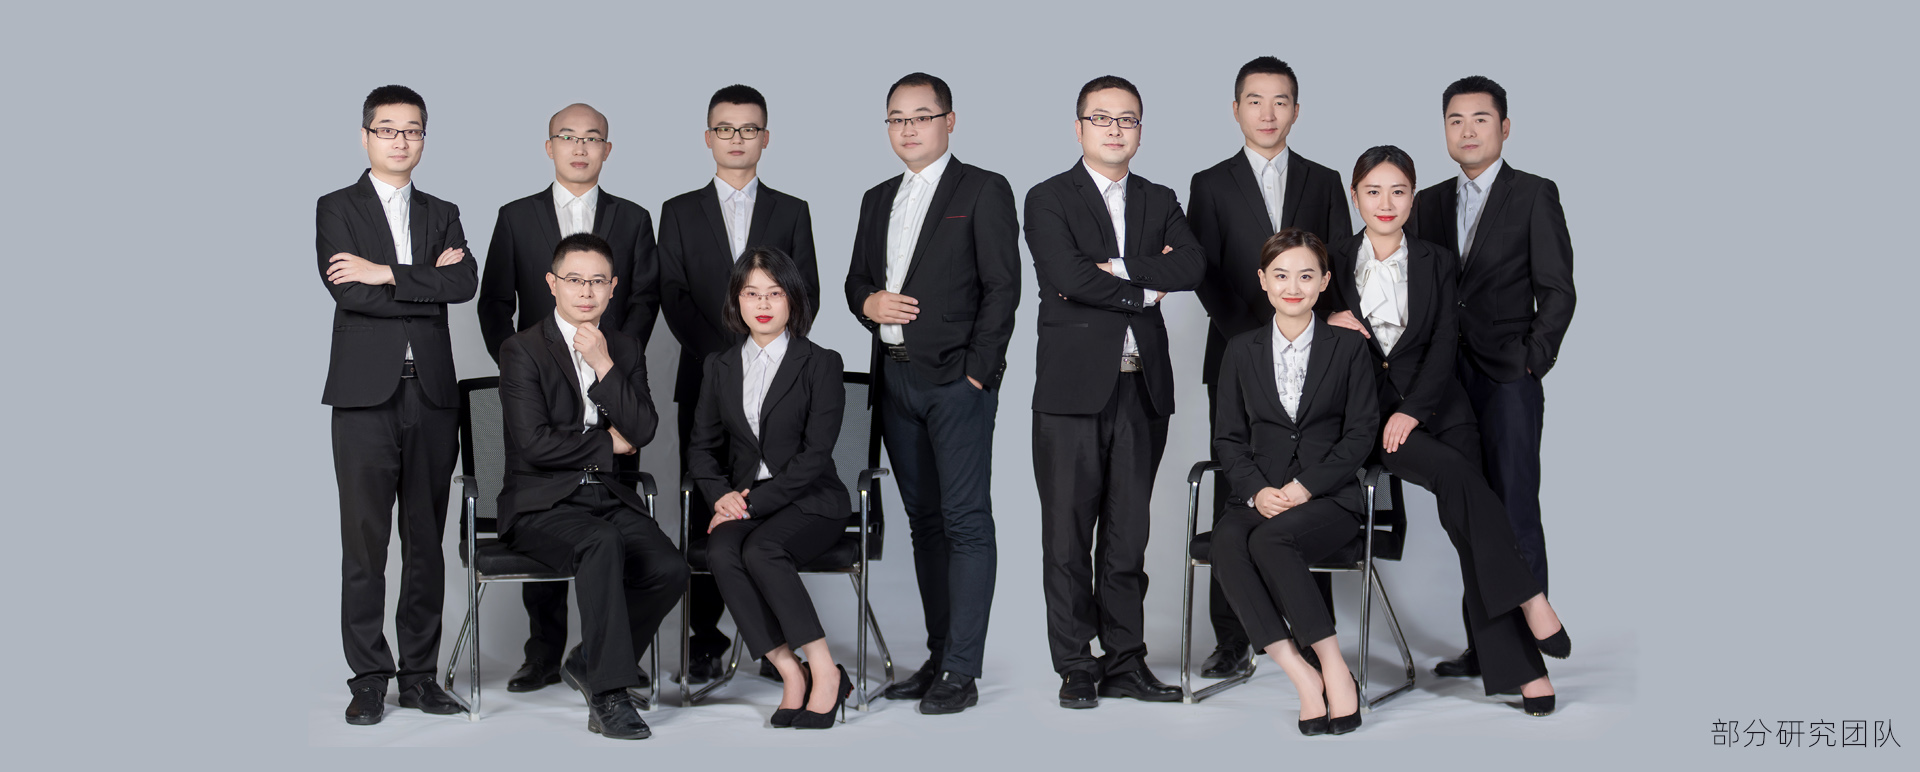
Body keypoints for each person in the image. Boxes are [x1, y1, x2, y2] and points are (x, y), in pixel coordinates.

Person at [1321, 146, 1570, 715]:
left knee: (1468, 518)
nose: (1386, 203)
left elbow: (1441, 344)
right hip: (1372, 418)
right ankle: (1531, 608)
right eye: (1373, 192)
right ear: (1355, 197)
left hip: (1439, 406)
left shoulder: (1437, 259)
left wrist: (1415, 409)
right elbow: (1294, 317)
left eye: (1398, 191)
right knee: (1463, 480)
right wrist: (1324, 320)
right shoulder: (1331, 260)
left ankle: (1516, 664)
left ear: (1413, 197)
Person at [1024, 75, 1204, 709]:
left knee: (1128, 538)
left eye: (1127, 119)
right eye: (1101, 118)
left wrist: (1119, 269)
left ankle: (1126, 661)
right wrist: (1145, 290)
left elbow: (1192, 265)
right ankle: (1076, 664)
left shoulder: (1160, 197)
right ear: (1079, 128)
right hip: (1071, 392)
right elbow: (1066, 275)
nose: (1114, 129)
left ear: (1140, 131)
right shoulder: (1047, 197)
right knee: (1067, 538)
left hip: (1142, 388)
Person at [845, 72, 1021, 714]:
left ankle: (962, 671)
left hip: (956, 383)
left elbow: (1003, 287)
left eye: (921, 116)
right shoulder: (876, 198)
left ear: (949, 120)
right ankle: (938, 654)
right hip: (894, 379)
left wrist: (979, 373)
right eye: (897, 118)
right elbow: (856, 281)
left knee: (966, 520)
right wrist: (869, 303)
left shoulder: (983, 189)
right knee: (924, 524)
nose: (908, 128)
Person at [475, 101, 663, 694]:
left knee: (620, 539)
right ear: (549, 146)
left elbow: (646, 298)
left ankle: (602, 654)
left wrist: (614, 361)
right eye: (567, 136)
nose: (579, 147)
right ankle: (545, 653)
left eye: (591, 138)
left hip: (608, 376)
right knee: (565, 521)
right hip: (540, 384)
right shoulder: (516, 216)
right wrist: (525, 370)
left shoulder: (633, 218)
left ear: (607, 148)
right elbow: (493, 301)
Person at [1399, 76, 1576, 680]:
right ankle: (1488, 648)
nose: (1467, 130)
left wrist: (1532, 359)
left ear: (1504, 127)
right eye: (1455, 120)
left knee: (1514, 507)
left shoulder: (1534, 194)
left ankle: (1526, 657)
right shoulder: (1427, 203)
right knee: (1470, 514)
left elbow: (1558, 290)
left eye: (1480, 118)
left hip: (1506, 378)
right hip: (1443, 382)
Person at [1186, 56, 1351, 677]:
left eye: (1280, 101)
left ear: (1296, 111)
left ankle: (1312, 631)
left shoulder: (1324, 180)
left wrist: (1307, 333)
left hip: (1315, 357)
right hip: (1236, 354)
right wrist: (1253, 346)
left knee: (1312, 485)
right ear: (1236, 110)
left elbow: (1337, 265)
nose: (1267, 113)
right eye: (1255, 100)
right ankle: (1232, 637)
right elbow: (1204, 272)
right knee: (1237, 487)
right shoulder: (1210, 183)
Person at [319, 84, 475, 725]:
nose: (400, 140)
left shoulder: (443, 211)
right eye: (387, 129)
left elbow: (463, 283)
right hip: (363, 397)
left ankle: (418, 677)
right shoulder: (337, 207)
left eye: (412, 130)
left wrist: (384, 272)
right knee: (364, 544)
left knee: (424, 542)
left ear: (423, 138)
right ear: (366, 136)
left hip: (432, 396)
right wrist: (423, 282)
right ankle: (368, 679)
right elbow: (347, 293)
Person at [496, 233, 689, 740]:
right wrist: (607, 443)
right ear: (552, 284)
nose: (586, 291)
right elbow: (534, 444)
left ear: (613, 288)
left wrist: (603, 362)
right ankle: (609, 695)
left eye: (597, 281)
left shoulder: (623, 347)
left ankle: (589, 661)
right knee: (601, 543)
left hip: (608, 495)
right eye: (575, 280)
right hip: (541, 502)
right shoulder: (522, 349)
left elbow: (643, 429)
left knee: (670, 568)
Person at [658, 85, 820, 683]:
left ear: (765, 138)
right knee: (709, 503)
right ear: (708, 137)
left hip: (779, 388)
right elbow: (671, 295)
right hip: (705, 380)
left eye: (748, 129)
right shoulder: (678, 210)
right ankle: (704, 637)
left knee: (772, 503)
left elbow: (805, 294)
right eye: (725, 129)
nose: (736, 139)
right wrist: (726, 366)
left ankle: (778, 639)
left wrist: (761, 359)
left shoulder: (792, 209)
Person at [1210, 228, 1375, 735]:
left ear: (1324, 282)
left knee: (1272, 540)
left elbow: (1361, 433)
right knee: (1227, 541)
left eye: (1306, 276)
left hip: (1329, 497)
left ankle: (1334, 668)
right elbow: (1228, 439)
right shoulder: (1240, 349)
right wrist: (1258, 490)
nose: (1293, 287)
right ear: (1263, 280)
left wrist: (1306, 487)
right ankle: (1302, 675)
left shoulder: (1348, 347)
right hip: (1262, 493)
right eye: (1281, 275)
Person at [690, 248, 854, 729]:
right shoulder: (719, 366)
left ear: (792, 300)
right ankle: (791, 671)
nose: (763, 304)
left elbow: (815, 456)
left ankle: (826, 670)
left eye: (774, 293)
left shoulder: (821, 363)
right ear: (736, 302)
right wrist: (721, 495)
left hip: (811, 500)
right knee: (721, 551)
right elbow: (702, 447)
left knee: (762, 550)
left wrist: (749, 504)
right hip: (745, 500)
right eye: (751, 293)